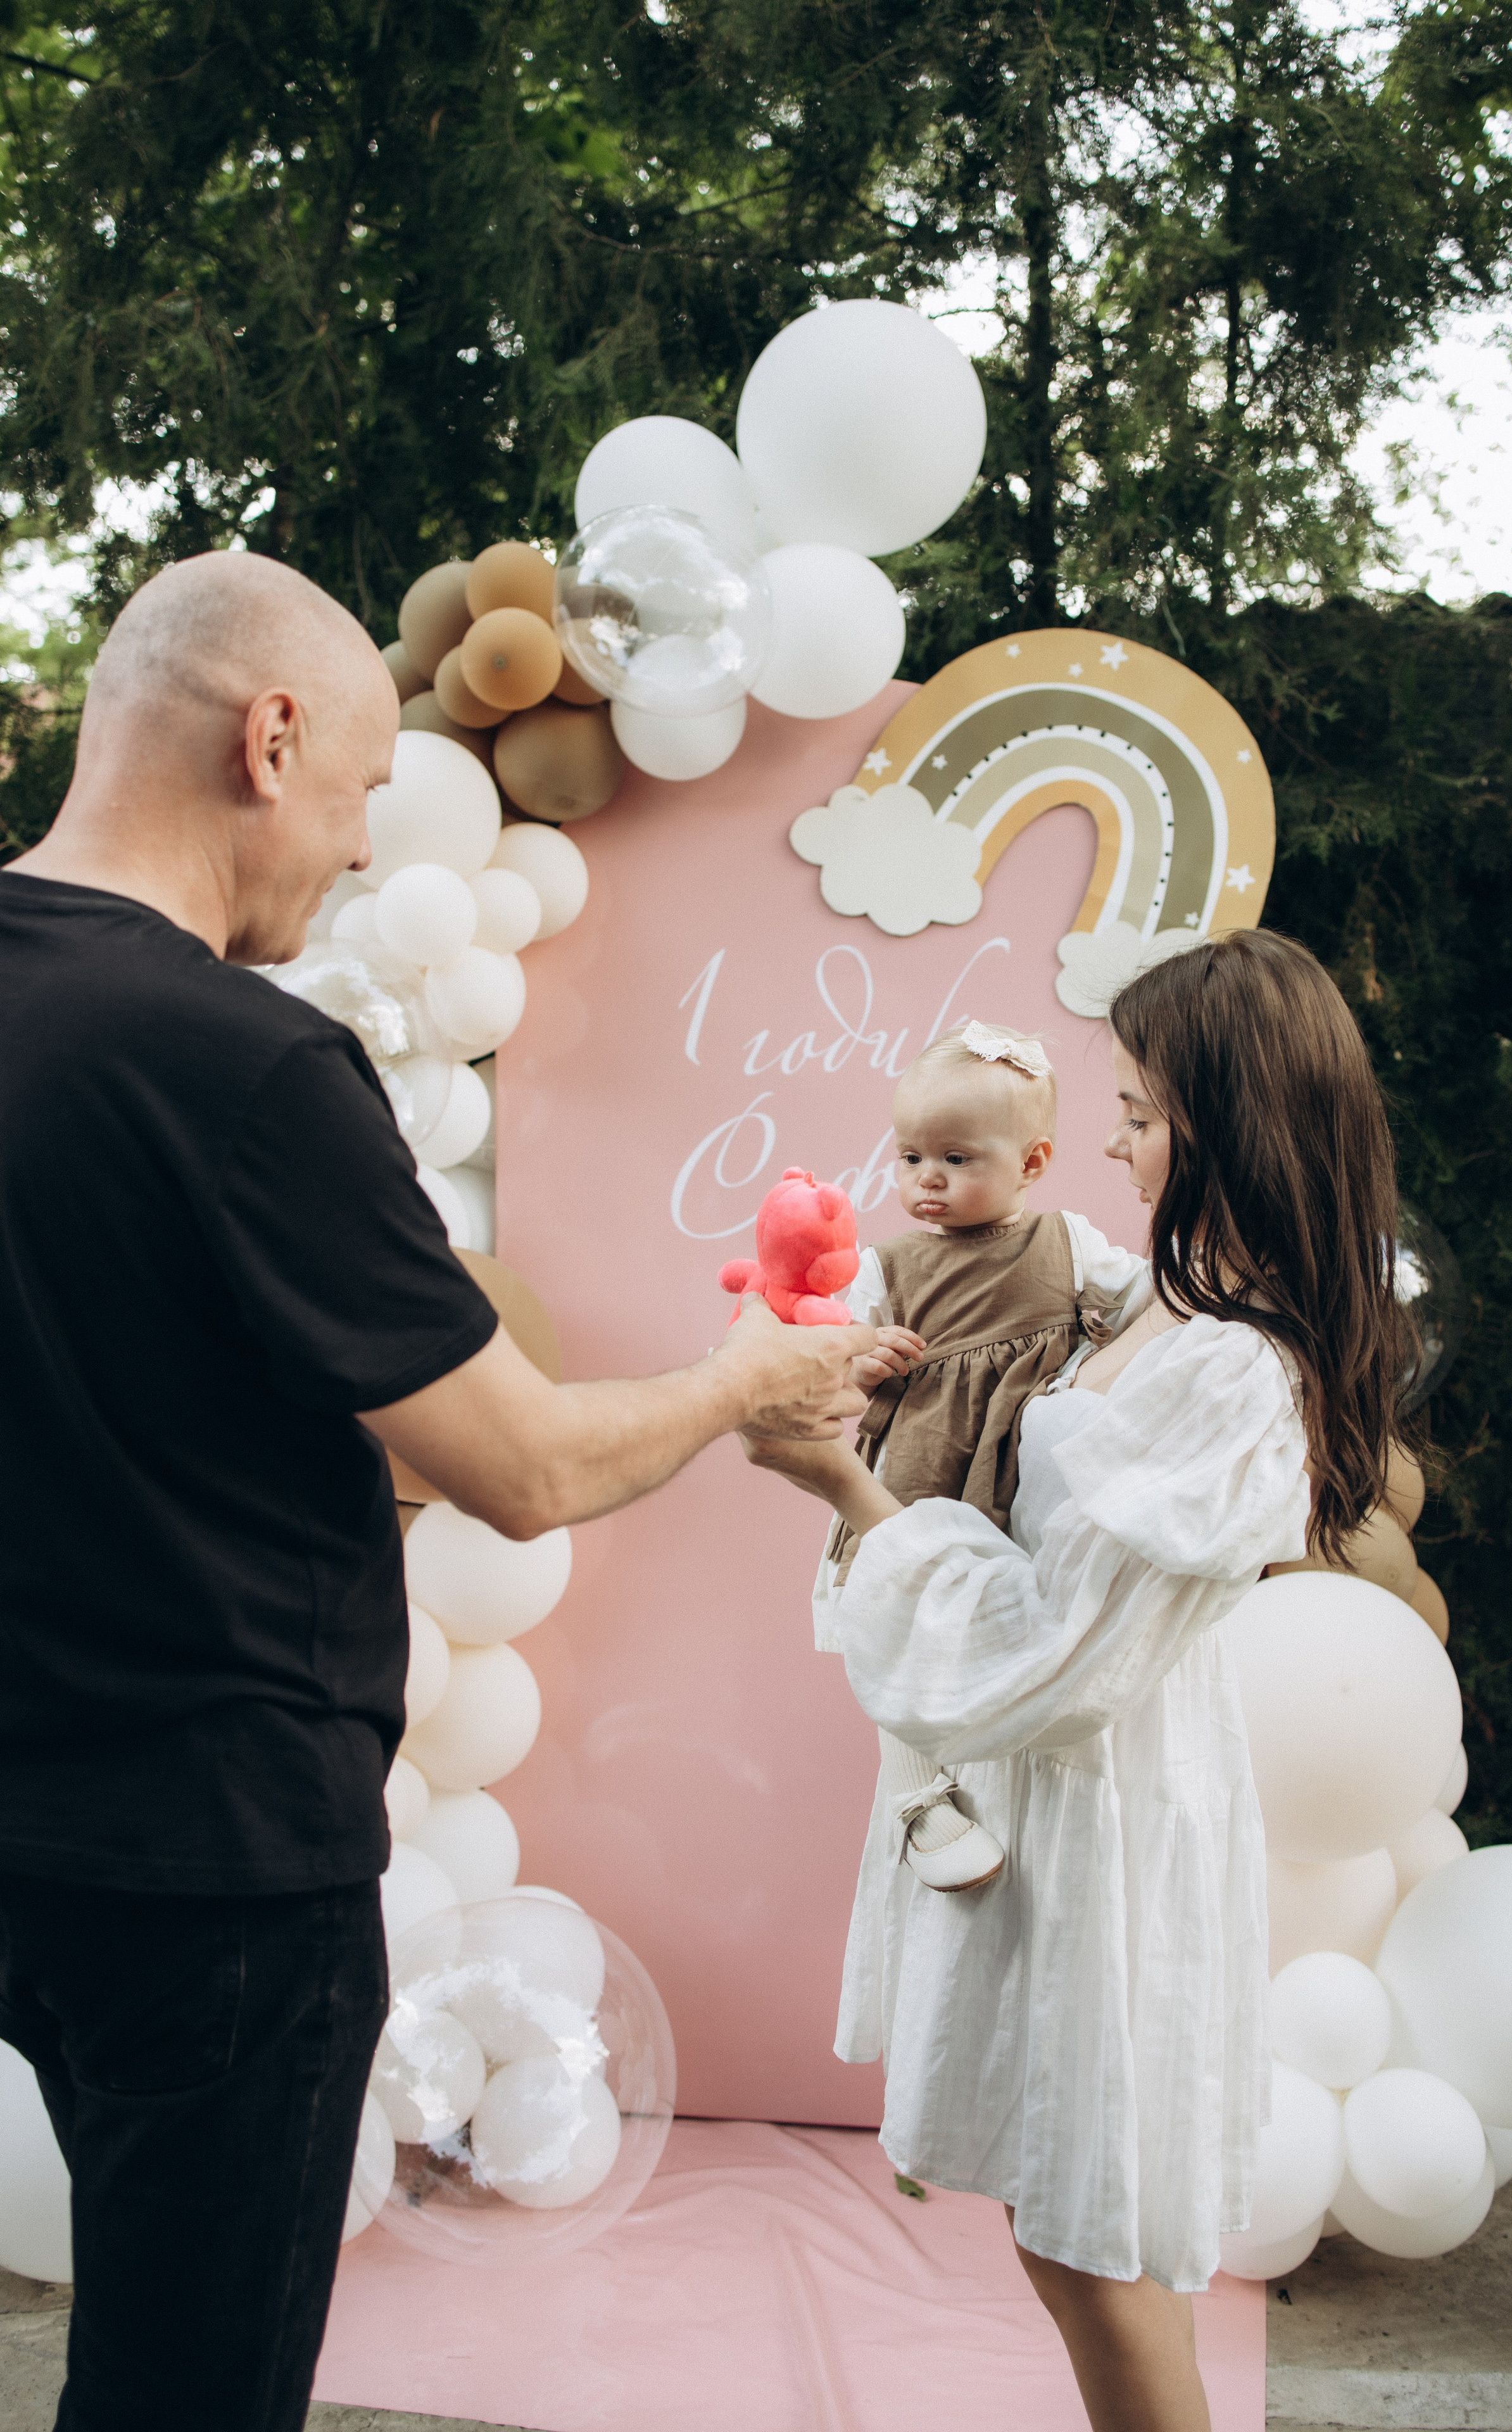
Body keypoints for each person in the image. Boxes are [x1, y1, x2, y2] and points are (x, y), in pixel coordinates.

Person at [0, 551, 871, 2432]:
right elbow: (529, 1469)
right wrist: (747, 1379)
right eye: (366, 791)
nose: (363, 847)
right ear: (271, 733)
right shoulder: (245, 1067)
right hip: (214, 1869)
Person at [743, 932, 1416, 2432]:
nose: (1109, 1144)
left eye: (1138, 1112)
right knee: (1063, 2235)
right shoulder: (1151, 1299)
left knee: (1085, 2237)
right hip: (1051, 1806)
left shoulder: (1235, 1369)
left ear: (1231, 1125)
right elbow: (1002, 1291)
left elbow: (1061, 1666)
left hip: (1098, 1815)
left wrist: (846, 1496)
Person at [821, 1016, 1149, 1890]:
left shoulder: (1068, 1245)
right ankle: (919, 1797)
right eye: (910, 1157)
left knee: (1015, 1633)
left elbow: (1151, 1305)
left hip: (1021, 1483)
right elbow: (829, 1360)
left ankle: (1017, 1774)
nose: (927, 1179)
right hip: (925, 1472)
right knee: (903, 1615)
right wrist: (863, 1353)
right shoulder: (885, 1267)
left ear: (1031, 1164)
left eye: (957, 1159)